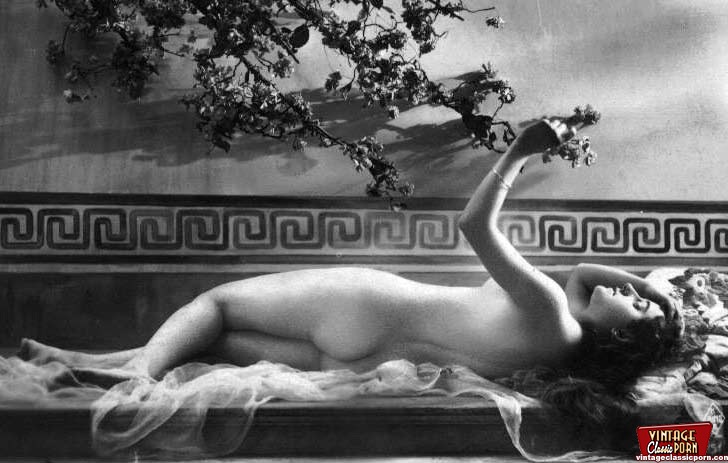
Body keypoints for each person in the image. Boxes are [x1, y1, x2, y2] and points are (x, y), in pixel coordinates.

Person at [20, 117, 682, 423]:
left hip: (365, 304)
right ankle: (83, 364)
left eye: (637, 303)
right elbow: (587, 276)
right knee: (212, 348)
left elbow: (474, 225)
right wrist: (640, 293)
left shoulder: (548, 305)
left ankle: (134, 373)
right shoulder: (560, 350)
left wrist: (519, 152)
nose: (627, 286)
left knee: (215, 305)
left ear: (620, 336)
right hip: (362, 365)